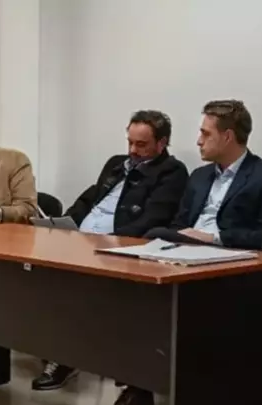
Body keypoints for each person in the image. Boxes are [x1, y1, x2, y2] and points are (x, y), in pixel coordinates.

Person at [32, 110, 188, 396]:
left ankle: (66, 357)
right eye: (130, 142)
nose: (133, 150)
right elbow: (89, 199)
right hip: (80, 242)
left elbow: (152, 220)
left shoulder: (171, 172)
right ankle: (53, 346)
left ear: (162, 143)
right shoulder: (117, 164)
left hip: (116, 250)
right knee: (33, 274)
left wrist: (108, 245)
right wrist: (63, 223)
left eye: (141, 144)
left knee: (73, 287)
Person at [145, 99, 262, 249]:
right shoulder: (199, 176)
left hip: (228, 253)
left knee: (155, 233)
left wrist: (215, 238)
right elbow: (179, 224)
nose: (199, 141)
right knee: (155, 236)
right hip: (184, 249)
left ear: (227, 136)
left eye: (206, 134)